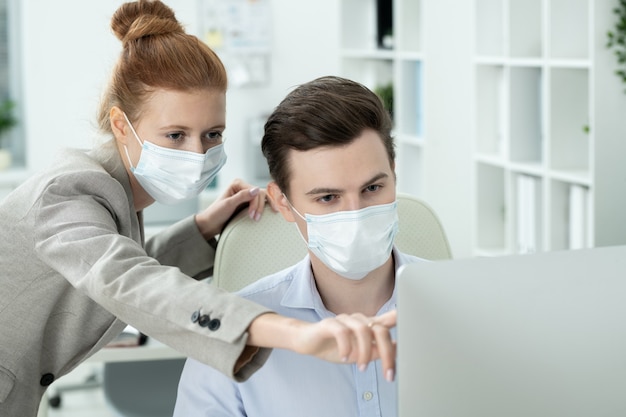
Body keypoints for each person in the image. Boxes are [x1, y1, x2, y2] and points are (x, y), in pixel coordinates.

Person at [0, 4, 396, 416]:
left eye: (212, 134)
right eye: (175, 135)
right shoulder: (68, 191)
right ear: (122, 125)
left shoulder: (115, 196)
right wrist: (293, 334)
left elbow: (122, 265)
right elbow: (125, 282)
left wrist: (204, 231)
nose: (197, 154)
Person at [174, 75, 425, 417]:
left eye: (372, 189)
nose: (356, 214)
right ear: (282, 202)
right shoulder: (232, 333)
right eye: (327, 197)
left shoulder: (466, 305)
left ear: (393, 175)